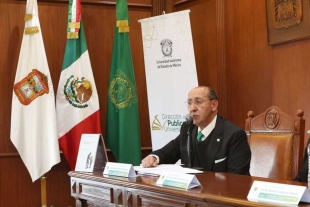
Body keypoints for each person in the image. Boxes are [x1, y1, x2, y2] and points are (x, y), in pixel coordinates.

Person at [141, 86, 251, 175]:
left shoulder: (234, 135)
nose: (192, 108)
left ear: (214, 105)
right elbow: (168, 152)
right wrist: (153, 157)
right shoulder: (188, 128)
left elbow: (237, 178)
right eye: (189, 103)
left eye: (198, 102)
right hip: (191, 196)